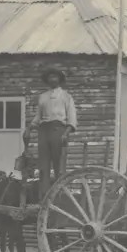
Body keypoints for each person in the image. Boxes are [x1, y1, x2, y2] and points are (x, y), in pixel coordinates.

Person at [23, 68, 77, 199]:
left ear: (59, 79)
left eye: (55, 77)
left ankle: (60, 196)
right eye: (50, 77)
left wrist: (66, 133)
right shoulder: (42, 97)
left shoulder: (66, 97)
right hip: (44, 131)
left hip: (59, 130)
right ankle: (44, 197)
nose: (53, 79)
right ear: (47, 80)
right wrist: (29, 128)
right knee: (43, 166)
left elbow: (72, 118)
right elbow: (38, 117)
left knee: (59, 165)